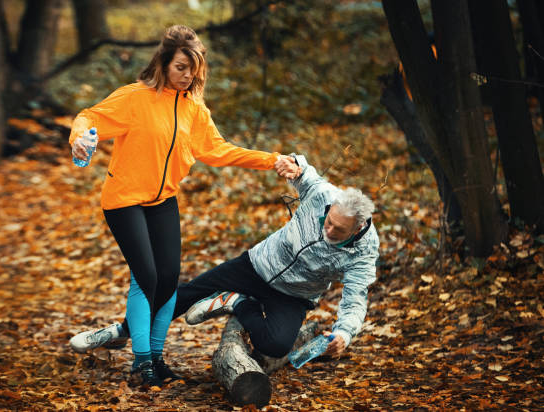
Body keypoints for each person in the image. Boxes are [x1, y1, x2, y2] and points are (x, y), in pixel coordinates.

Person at [67, 25, 299, 388]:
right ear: (163, 63)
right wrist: (79, 137)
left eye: (193, 69)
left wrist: (272, 160)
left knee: (169, 280)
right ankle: (141, 363)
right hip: (124, 200)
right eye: (180, 67)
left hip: (162, 201)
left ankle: (157, 358)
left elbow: (219, 150)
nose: (187, 75)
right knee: (147, 277)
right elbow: (90, 116)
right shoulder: (135, 98)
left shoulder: (194, 109)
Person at [174, 154, 379, 360]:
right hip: (257, 265)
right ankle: (145, 352)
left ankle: (236, 301)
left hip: (293, 295)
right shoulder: (323, 195)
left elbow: (355, 299)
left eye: (339, 229)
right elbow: (305, 172)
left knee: (276, 345)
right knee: (183, 296)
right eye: (329, 221)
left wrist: (344, 334)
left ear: (357, 228)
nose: (329, 229)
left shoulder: (363, 252)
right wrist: (294, 164)